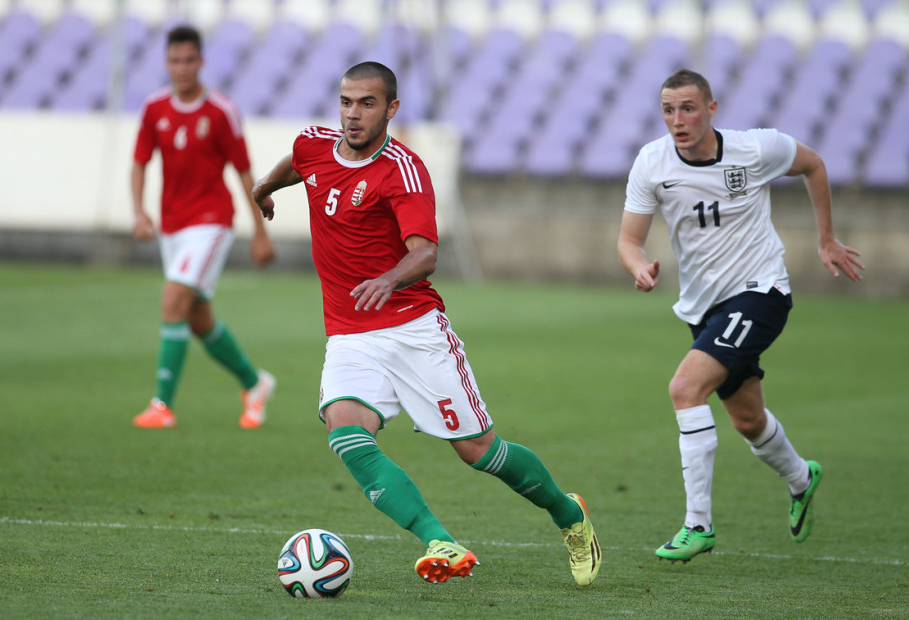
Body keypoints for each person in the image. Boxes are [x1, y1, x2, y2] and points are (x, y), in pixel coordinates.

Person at [253, 61, 601, 586]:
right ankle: (438, 539)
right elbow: (297, 163)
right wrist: (264, 188)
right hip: (349, 335)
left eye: (367, 103)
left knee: (477, 451)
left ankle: (568, 514)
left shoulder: (403, 170)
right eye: (346, 102)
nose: (353, 113)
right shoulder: (313, 145)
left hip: (414, 330)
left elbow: (426, 253)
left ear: (391, 109)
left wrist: (388, 279)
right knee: (346, 432)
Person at [618, 69, 864, 562]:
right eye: (668, 110)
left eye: (688, 108)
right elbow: (628, 239)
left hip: (760, 291)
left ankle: (698, 526)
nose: (677, 120)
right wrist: (638, 266)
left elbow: (813, 164)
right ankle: (801, 477)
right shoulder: (652, 162)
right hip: (704, 306)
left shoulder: (756, 149)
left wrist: (826, 238)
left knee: (685, 388)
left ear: (712, 108)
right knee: (748, 420)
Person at [130, 25, 276, 430]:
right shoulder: (154, 109)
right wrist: (140, 213)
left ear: (201, 61)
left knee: (173, 298)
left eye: (189, 60)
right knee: (197, 318)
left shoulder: (221, 111)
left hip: (211, 221)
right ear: (166, 62)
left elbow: (246, 173)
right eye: (175, 60)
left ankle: (163, 405)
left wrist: (260, 233)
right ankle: (254, 382)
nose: (181, 67)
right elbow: (140, 162)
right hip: (173, 227)